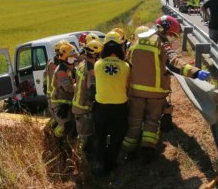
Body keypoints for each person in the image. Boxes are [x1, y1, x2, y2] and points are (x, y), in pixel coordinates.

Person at [121, 15, 210, 162]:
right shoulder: (162, 44)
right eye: (172, 34)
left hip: (135, 92)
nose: (171, 38)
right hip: (156, 94)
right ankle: (147, 152)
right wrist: (195, 71)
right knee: (151, 122)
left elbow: (128, 65)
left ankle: (128, 152)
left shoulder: (136, 42)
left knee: (134, 122)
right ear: (165, 30)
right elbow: (174, 63)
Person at [93, 31, 130, 175]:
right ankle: (111, 163)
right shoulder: (125, 66)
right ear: (121, 47)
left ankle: (101, 165)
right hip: (119, 107)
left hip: (101, 107)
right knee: (117, 137)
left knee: (100, 137)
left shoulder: (97, 65)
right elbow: (127, 85)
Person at [72, 39, 103, 157]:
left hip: (78, 105)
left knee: (83, 137)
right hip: (84, 108)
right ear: (95, 54)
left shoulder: (81, 64)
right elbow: (91, 91)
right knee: (84, 140)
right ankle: (79, 163)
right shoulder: (91, 70)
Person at [50, 43, 78, 138]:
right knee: (67, 124)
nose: (74, 59)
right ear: (65, 58)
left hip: (67, 101)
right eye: (71, 57)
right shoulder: (61, 71)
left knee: (72, 123)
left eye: (74, 57)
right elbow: (69, 88)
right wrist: (80, 86)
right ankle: (56, 139)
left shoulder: (70, 68)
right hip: (60, 102)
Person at [44, 40, 69, 127]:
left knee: (57, 119)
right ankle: (53, 136)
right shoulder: (56, 65)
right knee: (61, 122)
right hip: (55, 96)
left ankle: (49, 135)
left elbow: (45, 79)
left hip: (51, 96)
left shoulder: (50, 62)